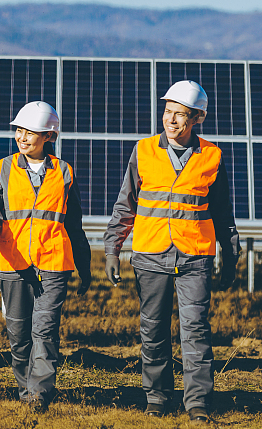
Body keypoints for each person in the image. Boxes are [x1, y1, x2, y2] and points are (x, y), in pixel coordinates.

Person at [102, 80, 240, 423]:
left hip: (195, 256)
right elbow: (125, 206)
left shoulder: (212, 156)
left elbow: (223, 212)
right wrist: (111, 249)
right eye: (167, 112)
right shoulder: (144, 150)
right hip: (150, 255)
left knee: (195, 331)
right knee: (153, 330)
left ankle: (197, 403)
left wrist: (231, 254)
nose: (171, 120)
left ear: (197, 119)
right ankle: (158, 398)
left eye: (180, 115)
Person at [0, 101, 92, 413]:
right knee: (18, 334)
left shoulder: (64, 172)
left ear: (48, 136)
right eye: (19, 130)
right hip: (13, 265)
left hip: (53, 264)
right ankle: (26, 388)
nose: (22, 137)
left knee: (45, 330)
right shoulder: (2, 169)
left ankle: (38, 395)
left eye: (30, 132)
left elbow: (74, 222)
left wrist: (84, 264)